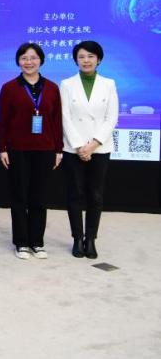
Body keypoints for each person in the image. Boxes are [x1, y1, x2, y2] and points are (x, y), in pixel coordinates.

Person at [0, 42, 63, 260]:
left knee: (40, 197)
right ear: (18, 61)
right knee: (19, 197)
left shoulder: (52, 88)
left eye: (33, 58)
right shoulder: (9, 88)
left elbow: (57, 120)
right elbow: (3, 121)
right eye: (24, 58)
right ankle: (21, 242)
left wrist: (58, 149)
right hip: (17, 149)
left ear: (41, 61)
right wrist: (2, 148)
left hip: (45, 149)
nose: (29, 62)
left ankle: (37, 242)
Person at [60, 41, 118, 259]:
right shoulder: (66, 84)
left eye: (91, 56)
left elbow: (111, 118)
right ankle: (77, 238)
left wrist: (93, 144)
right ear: (76, 60)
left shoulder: (109, 84)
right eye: (82, 57)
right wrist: (79, 146)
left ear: (99, 59)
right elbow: (64, 117)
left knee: (95, 194)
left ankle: (91, 239)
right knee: (75, 193)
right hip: (73, 148)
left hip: (100, 148)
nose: (86, 60)